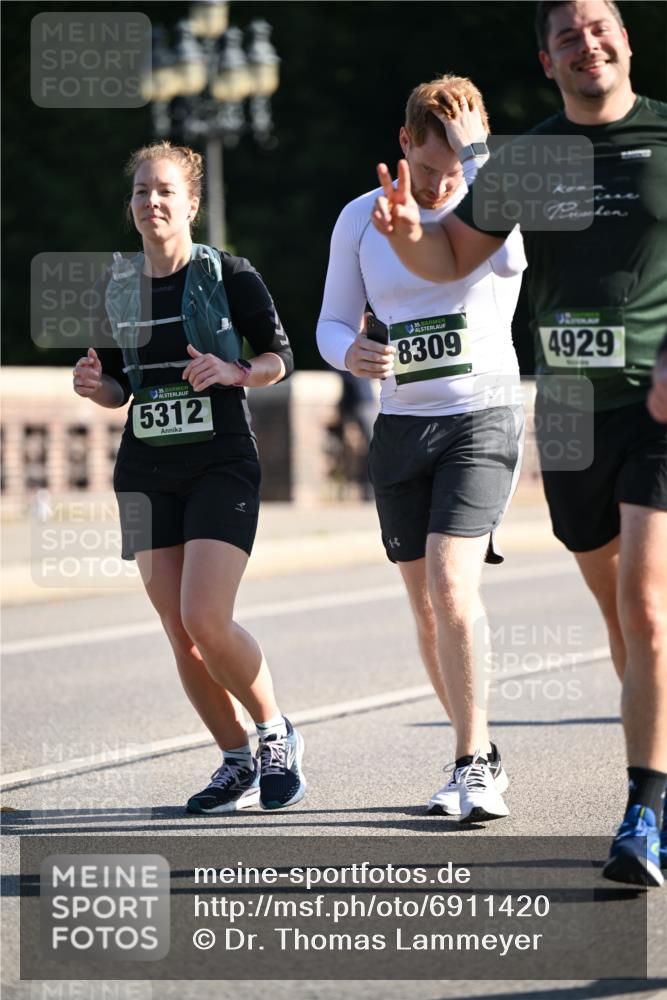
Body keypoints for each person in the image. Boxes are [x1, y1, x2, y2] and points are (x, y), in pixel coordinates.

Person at [372, 1, 667, 885]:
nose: (586, 44)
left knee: (647, 605)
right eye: (565, 35)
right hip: (570, 410)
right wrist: (407, 234)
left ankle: (643, 813)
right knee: (618, 613)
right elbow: (452, 257)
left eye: (598, 27)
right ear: (546, 61)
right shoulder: (529, 159)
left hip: (656, 405)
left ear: (624, 39)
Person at [317, 74, 527, 823]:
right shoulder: (359, 219)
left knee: (449, 582)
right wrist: (351, 354)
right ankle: (482, 749)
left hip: (481, 416)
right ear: (403, 144)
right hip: (402, 426)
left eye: (455, 167)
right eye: (429, 167)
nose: (441, 186)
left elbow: (508, 263)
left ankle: (469, 767)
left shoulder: (490, 205)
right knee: (427, 609)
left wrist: (478, 162)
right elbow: (331, 322)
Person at [73, 141, 306, 815]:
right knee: (179, 631)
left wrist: (235, 371)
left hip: (220, 460)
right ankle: (234, 760)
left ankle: (274, 733)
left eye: (165, 190)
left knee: (204, 616)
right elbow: (118, 387)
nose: (151, 201)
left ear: (192, 204)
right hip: (145, 468)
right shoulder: (119, 288)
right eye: (141, 190)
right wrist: (94, 385)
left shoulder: (230, 274)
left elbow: (280, 358)